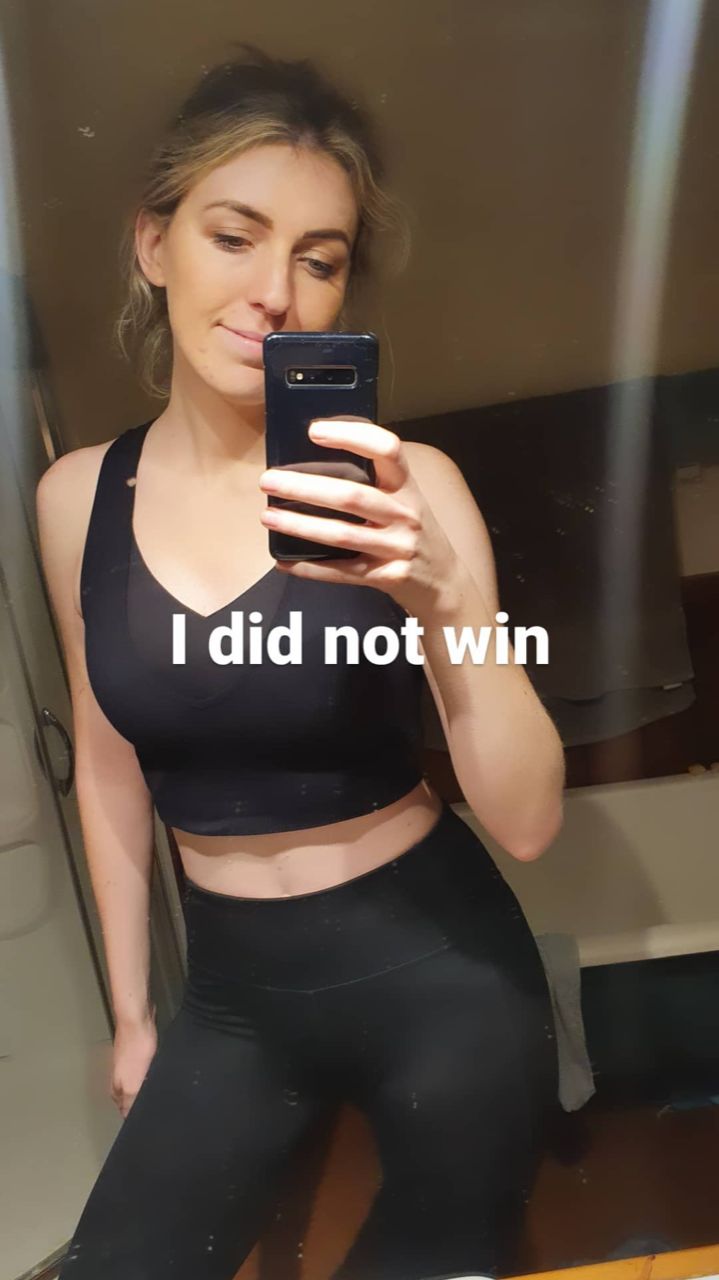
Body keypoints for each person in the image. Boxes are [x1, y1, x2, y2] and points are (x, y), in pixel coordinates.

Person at [36, 44, 565, 1280]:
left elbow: (528, 820)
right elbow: (106, 760)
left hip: (439, 970)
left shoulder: (412, 488)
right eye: (234, 235)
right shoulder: (74, 498)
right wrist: (131, 1012)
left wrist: (444, 593)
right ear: (153, 243)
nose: (273, 291)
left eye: (318, 260)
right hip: (231, 995)